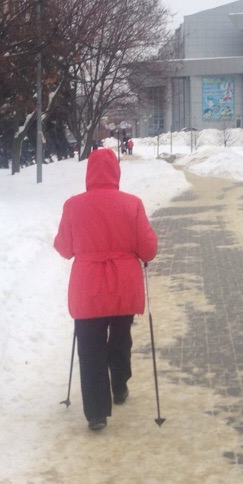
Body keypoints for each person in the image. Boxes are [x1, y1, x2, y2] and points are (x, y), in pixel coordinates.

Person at [53, 148, 158, 431]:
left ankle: (97, 413)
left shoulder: (73, 206)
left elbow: (64, 248)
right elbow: (148, 249)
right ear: (116, 172)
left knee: (90, 346)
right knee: (120, 337)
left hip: (88, 289)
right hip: (124, 285)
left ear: (89, 172)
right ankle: (120, 385)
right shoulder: (131, 204)